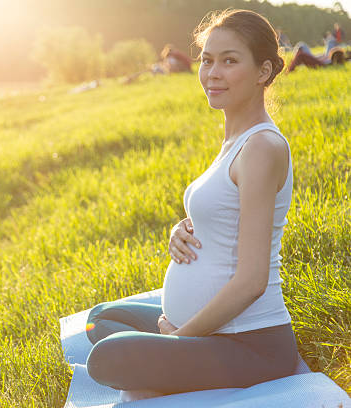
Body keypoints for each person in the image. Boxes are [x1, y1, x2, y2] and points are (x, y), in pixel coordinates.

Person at [85, 9, 298, 401]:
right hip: (200, 332)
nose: (212, 73)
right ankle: (161, 374)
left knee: (108, 358)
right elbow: (226, 219)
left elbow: (252, 282)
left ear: (263, 71)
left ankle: (161, 372)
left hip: (252, 345)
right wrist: (181, 230)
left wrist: (179, 339)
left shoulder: (262, 148)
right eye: (207, 60)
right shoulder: (235, 144)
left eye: (229, 61)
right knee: (103, 320)